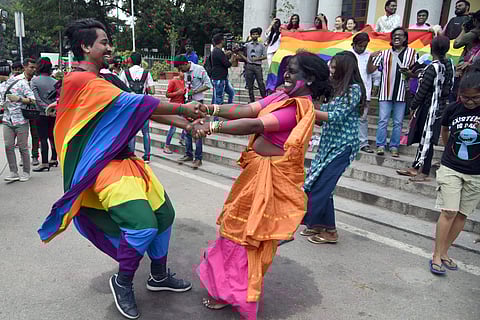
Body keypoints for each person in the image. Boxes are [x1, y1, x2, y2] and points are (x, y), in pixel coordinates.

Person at [37, 18, 201, 319]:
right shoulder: (80, 81)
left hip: (129, 163)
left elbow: (141, 108)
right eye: (103, 42)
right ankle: (123, 281)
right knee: (142, 226)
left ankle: (159, 275)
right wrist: (182, 110)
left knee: (165, 216)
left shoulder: (104, 81)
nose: (109, 47)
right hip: (105, 169)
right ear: (86, 46)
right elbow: (136, 101)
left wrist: (188, 125)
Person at [194, 51, 331, 320]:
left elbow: (255, 124)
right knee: (233, 232)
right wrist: (209, 109)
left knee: (247, 239)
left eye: (293, 71)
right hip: (255, 176)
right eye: (286, 70)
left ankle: (235, 294)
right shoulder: (282, 96)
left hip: (269, 183)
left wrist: (212, 127)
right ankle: (225, 289)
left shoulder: (297, 108)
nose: (287, 75)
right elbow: (248, 109)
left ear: (311, 78)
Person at [301, 51, 366, 244]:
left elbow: (336, 115)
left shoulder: (354, 89)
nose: (330, 70)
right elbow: (324, 117)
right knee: (316, 183)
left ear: (344, 69)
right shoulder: (335, 89)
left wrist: (309, 110)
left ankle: (330, 231)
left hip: (343, 146)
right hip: (328, 144)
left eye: (334, 67)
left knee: (323, 186)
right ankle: (319, 225)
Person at [430, 62, 480, 275]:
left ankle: (445, 252)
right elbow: (444, 131)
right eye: (465, 97)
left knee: (461, 214)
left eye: (475, 98)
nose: (470, 102)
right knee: (449, 211)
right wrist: (448, 147)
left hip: (476, 172)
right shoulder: (452, 108)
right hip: (451, 166)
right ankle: (436, 255)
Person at [397, 36, 454, 181]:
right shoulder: (448, 65)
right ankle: (416, 166)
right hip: (439, 107)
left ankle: (424, 171)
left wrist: (413, 106)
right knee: (424, 138)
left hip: (429, 108)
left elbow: (422, 90)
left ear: (431, 48)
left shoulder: (433, 67)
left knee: (427, 138)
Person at [368, 27, 418, 157]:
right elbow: (371, 69)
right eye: (394, 35)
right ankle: (380, 145)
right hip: (385, 92)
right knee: (383, 120)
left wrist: (410, 74)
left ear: (405, 38)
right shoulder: (384, 53)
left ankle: (394, 146)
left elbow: (417, 73)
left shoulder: (412, 53)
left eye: (400, 35)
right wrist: (370, 58)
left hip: (401, 93)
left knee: (398, 122)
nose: (397, 37)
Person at [0, 59, 37, 182]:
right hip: (7, 119)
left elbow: (32, 100)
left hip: (20, 120)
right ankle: (13, 172)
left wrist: (19, 99)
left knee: (23, 147)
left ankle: (26, 171)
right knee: (8, 146)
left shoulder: (21, 83)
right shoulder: (1, 86)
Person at [174, 54, 212, 168]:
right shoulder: (185, 72)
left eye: (181, 69)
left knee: (197, 130)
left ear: (186, 64)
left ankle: (198, 158)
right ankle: (188, 154)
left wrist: (195, 91)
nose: (181, 72)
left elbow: (208, 85)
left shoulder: (199, 69)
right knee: (187, 129)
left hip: (198, 103)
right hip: (188, 103)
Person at [120, 52, 155, 163]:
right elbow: (152, 91)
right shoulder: (146, 73)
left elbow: (120, 89)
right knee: (146, 132)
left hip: (130, 107)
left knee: (131, 132)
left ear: (130, 60)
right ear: (140, 61)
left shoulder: (124, 73)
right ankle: (147, 156)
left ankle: (131, 155)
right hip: (143, 106)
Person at [350, 32, 380, 153]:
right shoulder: (347, 55)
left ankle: (363, 143)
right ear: (354, 44)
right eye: (360, 46)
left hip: (365, 93)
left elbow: (375, 74)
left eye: (364, 46)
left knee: (362, 118)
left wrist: (376, 86)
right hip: (349, 92)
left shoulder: (369, 56)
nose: (362, 48)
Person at [31, 57, 58, 172]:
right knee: (53, 137)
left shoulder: (34, 81)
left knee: (43, 138)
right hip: (53, 114)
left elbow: (36, 99)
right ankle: (54, 159)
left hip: (41, 114)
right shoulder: (55, 82)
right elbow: (58, 98)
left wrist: (45, 108)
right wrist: (51, 109)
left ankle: (45, 162)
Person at [237, 28, 267, 102]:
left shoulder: (261, 46)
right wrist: (245, 58)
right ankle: (252, 100)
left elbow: (265, 56)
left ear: (258, 35)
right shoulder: (247, 45)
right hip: (249, 66)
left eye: (256, 34)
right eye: (253, 34)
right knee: (250, 84)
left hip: (257, 66)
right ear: (251, 35)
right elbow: (240, 52)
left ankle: (265, 99)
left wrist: (257, 59)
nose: (255, 35)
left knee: (260, 83)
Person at [210, 33, 235, 105]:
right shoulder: (218, 51)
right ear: (221, 41)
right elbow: (227, 64)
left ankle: (229, 108)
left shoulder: (216, 51)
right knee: (218, 98)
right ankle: (216, 115)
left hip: (221, 77)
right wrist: (233, 56)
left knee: (231, 92)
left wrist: (225, 54)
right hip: (219, 78)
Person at [164, 71, 185, 154]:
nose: (185, 74)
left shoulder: (185, 81)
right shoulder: (173, 81)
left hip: (183, 106)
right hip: (174, 107)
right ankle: (166, 146)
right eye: (183, 72)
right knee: (173, 128)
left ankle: (182, 139)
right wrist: (177, 93)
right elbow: (167, 94)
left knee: (186, 124)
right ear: (179, 72)